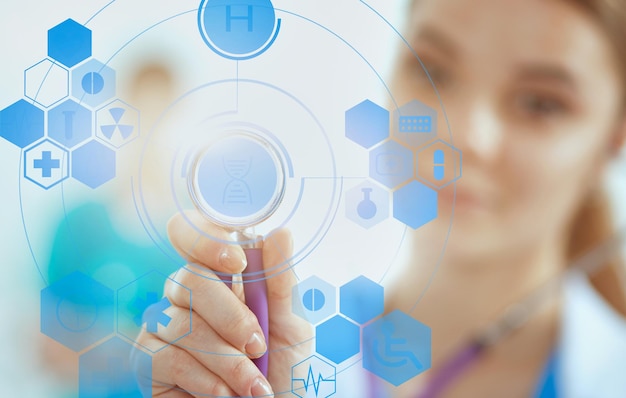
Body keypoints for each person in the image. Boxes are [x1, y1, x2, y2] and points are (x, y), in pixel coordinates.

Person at [135, 0, 626, 396]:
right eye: (434, 71)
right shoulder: (271, 355)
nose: (467, 135)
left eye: (541, 102)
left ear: (613, 139)